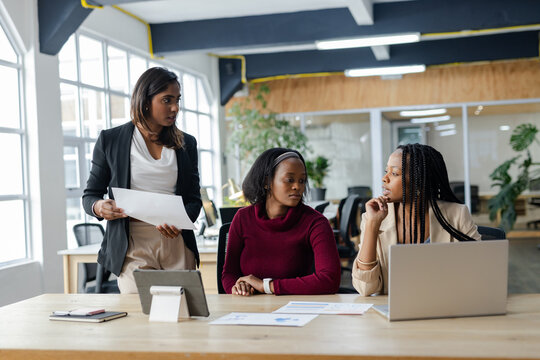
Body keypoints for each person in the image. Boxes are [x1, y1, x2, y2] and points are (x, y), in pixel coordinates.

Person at [82, 67, 202, 293]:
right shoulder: (111, 140)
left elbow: (194, 200)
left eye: (177, 100)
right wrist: (99, 207)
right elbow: (90, 195)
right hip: (132, 244)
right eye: (166, 100)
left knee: (182, 317)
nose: (175, 108)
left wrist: (182, 221)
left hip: (175, 242)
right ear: (145, 101)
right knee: (137, 319)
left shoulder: (187, 143)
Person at [352, 143, 481, 296]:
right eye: (387, 171)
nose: (384, 179)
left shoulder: (457, 215)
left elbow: (478, 273)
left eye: (394, 173)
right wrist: (373, 225)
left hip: (445, 305)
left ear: (419, 181)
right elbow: (365, 288)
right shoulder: (373, 217)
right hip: (390, 310)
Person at [222, 148, 341, 296]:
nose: (298, 187)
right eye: (290, 180)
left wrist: (266, 286)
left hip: (297, 311)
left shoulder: (316, 223)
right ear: (267, 181)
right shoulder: (242, 218)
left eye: (302, 180)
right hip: (250, 309)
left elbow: (329, 280)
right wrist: (237, 288)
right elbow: (229, 274)